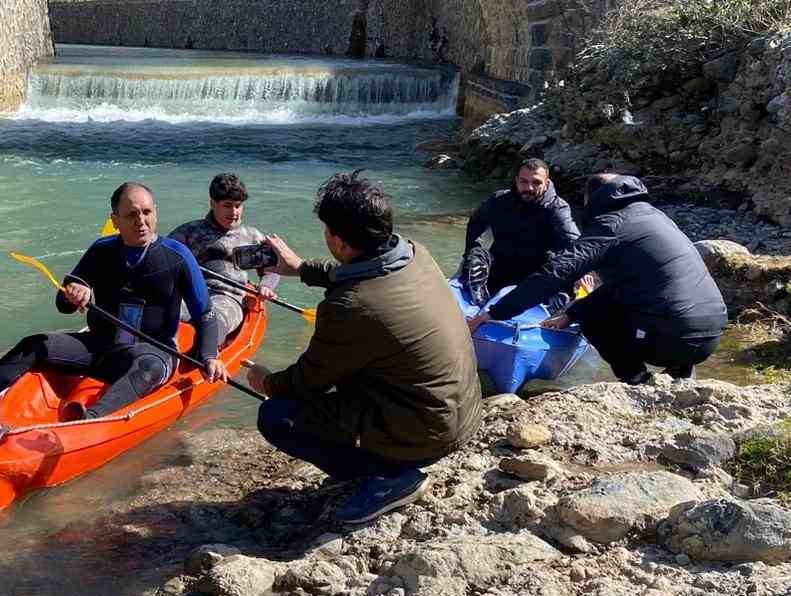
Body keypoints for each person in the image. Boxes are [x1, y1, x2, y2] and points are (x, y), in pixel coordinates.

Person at [245, 170, 482, 524]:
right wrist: (301, 269)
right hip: (463, 414)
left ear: (339, 242)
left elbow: (309, 381)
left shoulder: (349, 307)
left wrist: (266, 382)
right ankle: (384, 464)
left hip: (427, 434)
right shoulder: (414, 254)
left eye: (327, 232)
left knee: (278, 416)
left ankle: (389, 478)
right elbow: (361, 272)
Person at [0, 182, 227, 436]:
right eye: (131, 214)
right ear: (116, 219)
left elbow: (205, 314)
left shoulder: (177, 256)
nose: (141, 221)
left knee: (146, 368)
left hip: (152, 352)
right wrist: (73, 294)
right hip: (101, 347)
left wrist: (210, 356)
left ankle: (86, 424)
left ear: (155, 213)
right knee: (34, 345)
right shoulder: (102, 250)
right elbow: (63, 303)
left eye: (147, 212)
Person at [469, 174, 727, 385]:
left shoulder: (611, 225)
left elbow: (555, 274)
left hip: (670, 340)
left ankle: (637, 380)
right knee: (629, 298)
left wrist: (494, 313)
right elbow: (622, 286)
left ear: (592, 199)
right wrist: (571, 314)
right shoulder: (654, 217)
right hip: (711, 336)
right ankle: (681, 371)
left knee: (595, 319)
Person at [167, 172, 277, 347]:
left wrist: (266, 286)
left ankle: (208, 357)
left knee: (212, 319)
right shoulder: (189, 231)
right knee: (162, 307)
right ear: (213, 204)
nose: (234, 212)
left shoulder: (252, 236)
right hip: (192, 293)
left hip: (229, 298)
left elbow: (272, 269)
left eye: (238, 206)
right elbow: (163, 258)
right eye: (227, 206)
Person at [460, 158, 580, 307]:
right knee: (476, 256)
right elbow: (476, 223)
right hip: (501, 263)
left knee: (563, 267)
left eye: (536, 182)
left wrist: (581, 271)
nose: (529, 187)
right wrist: (472, 250)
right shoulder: (499, 200)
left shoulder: (557, 208)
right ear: (516, 181)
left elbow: (572, 239)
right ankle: (478, 293)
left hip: (537, 270)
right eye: (524, 182)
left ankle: (556, 300)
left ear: (547, 183)